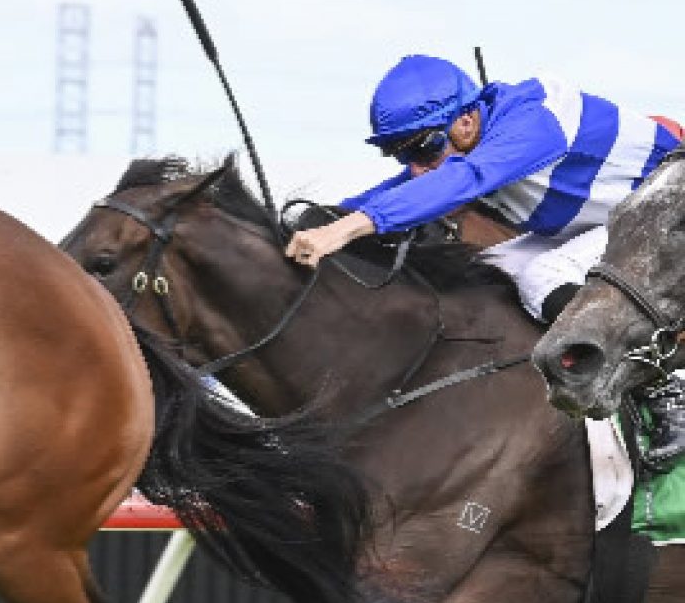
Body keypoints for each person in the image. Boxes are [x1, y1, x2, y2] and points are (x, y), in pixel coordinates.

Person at [284, 53, 685, 468]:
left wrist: (343, 230)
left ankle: (664, 390)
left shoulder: (536, 121)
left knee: (543, 273)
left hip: (663, 223)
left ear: (467, 121)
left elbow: (462, 181)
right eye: (401, 155)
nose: (418, 169)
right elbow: (401, 189)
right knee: (489, 269)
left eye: (423, 148)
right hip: (606, 224)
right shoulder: (464, 143)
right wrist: (318, 218)